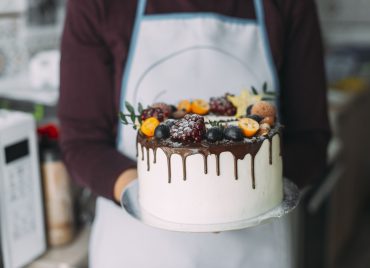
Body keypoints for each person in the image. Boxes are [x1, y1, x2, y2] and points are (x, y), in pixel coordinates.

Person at [58, 0, 331, 267]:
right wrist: (150, 194)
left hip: (253, 253)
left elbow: (311, 139)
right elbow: (82, 141)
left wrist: (243, 196)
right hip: (136, 250)